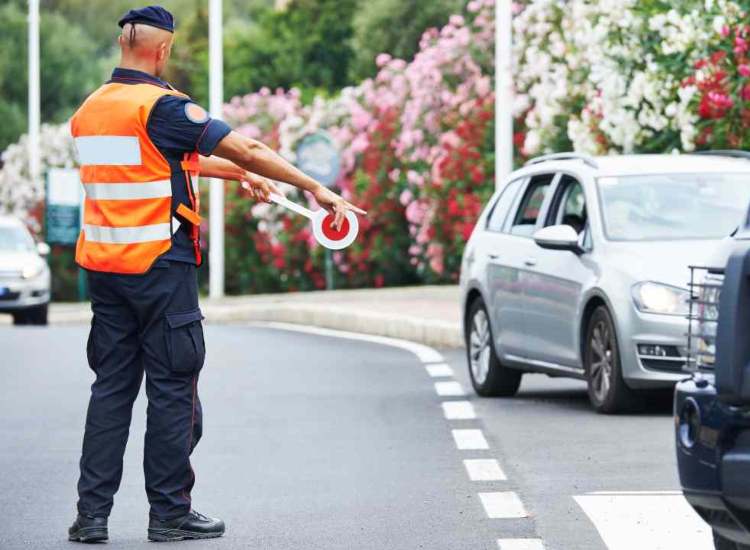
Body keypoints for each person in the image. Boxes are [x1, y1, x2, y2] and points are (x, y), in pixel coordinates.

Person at [67, 5, 365, 544]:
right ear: (162, 50)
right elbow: (243, 144)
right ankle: (169, 515)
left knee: (110, 392)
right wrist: (313, 189)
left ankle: (91, 518)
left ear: (124, 47)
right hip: (161, 267)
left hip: (107, 272)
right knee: (173, 390)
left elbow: (166, 160)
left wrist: (240, 174)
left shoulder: (92, 110)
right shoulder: (161, 105)